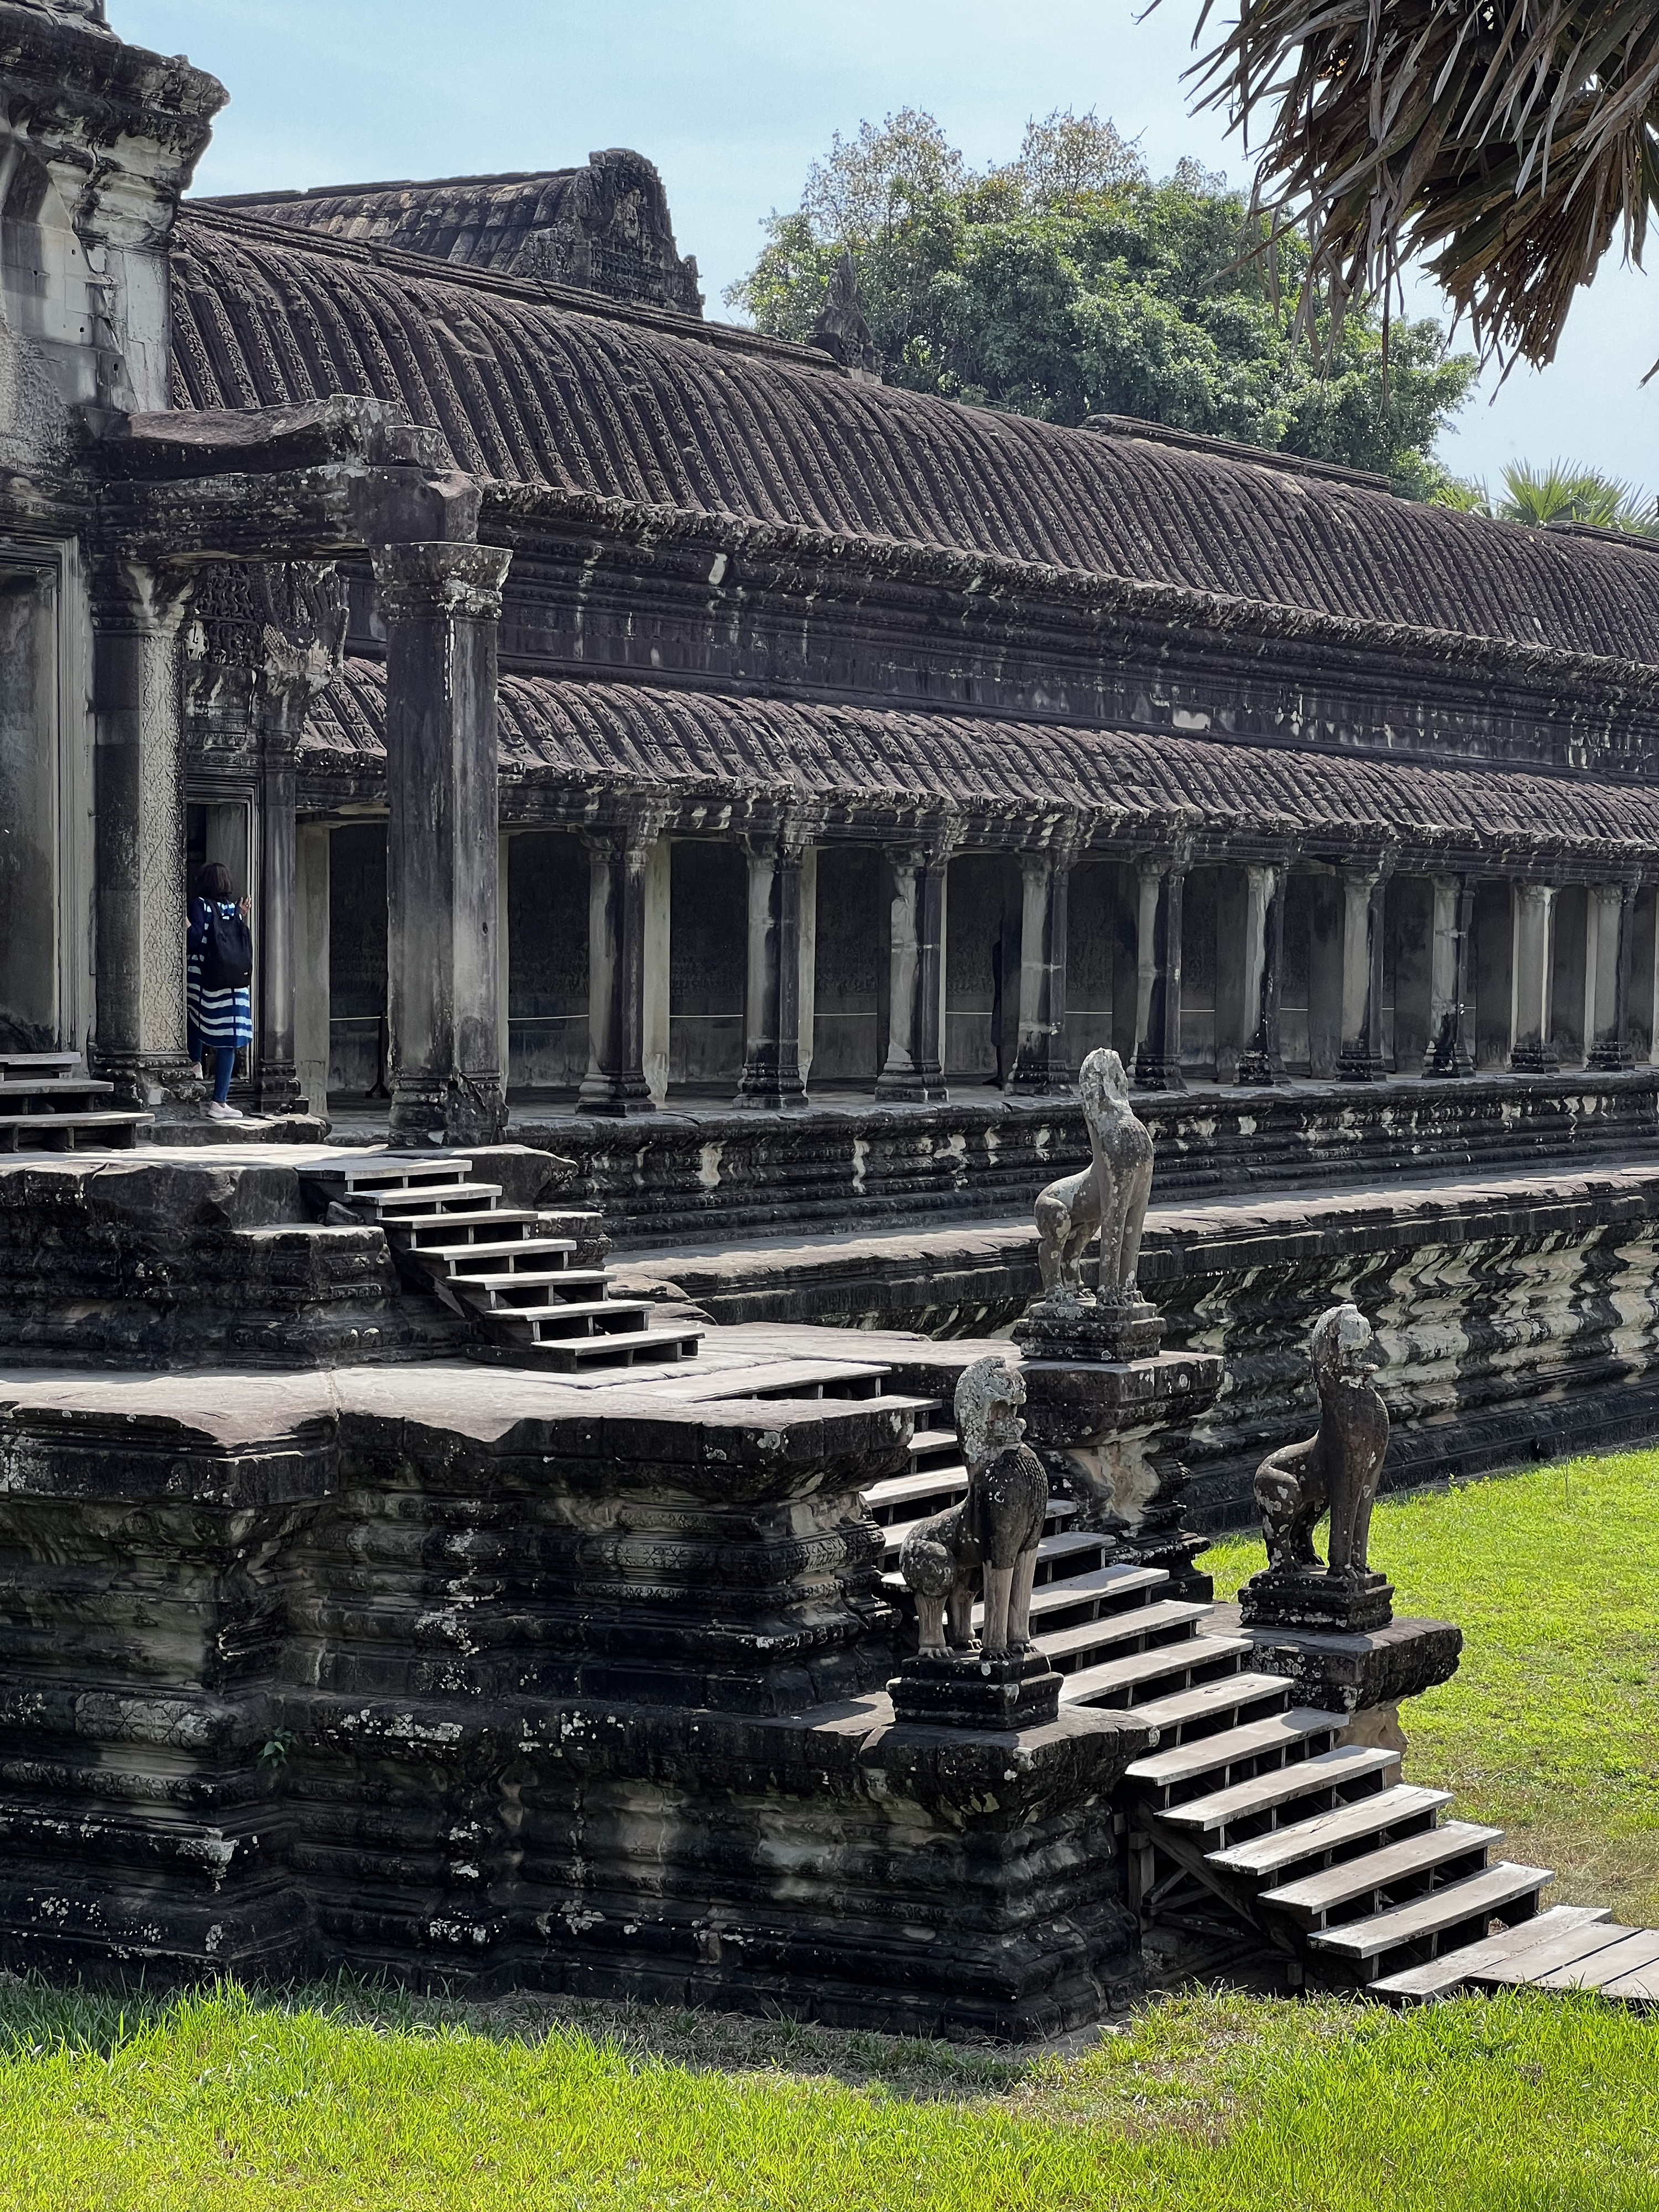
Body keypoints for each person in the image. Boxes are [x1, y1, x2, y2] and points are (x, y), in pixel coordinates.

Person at [186, 861, 254, 1120]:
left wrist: (184, 926)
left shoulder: (200, 905)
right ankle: (220, 1101)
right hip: (234, 984)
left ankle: (195, 1062)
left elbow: (195, 941)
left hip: (204, 976)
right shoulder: (233, 910)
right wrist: (240, 915)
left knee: (195, 1016)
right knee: (230, 1040)